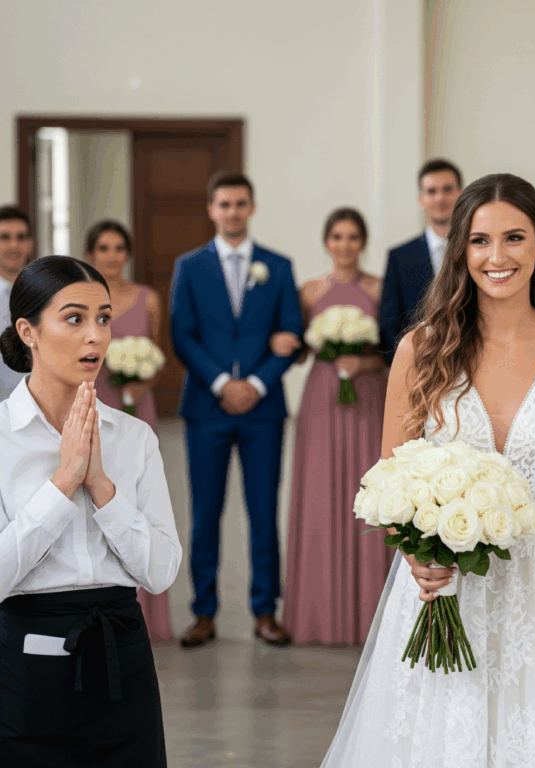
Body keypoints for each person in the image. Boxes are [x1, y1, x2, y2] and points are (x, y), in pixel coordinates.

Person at [321, 174, 535, 767]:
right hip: (443, 584)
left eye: (514, 238)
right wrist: (414, 552)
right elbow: (387, 479)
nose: (497, 256)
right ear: (461, 251)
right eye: (479, 240)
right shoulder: (421, 348)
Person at [0, 256, 181, 767]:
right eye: (74, 318)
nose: (96, 336)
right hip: (25, 674)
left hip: (124, 661)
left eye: (104, 318)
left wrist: (101, 487)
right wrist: (63, 484)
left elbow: (161, 572)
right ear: (28, 332)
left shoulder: (134, 437)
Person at [170, 170, 303, 648]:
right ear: (212, 209)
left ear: (252, 208)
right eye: (224, 204)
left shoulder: (278, 267)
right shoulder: (189, 266)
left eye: (240, 203)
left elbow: (291, 333)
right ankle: (203, 612)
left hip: (263, 411)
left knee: (263, 512)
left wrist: (257, 384)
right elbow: (182, 334)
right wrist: (224, 383)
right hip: (206, 406)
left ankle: (265, 611)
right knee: (205, 512)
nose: (232, 211)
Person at [283, 208, 390, 645]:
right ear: (327, 242)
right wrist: (285, 342)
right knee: (321, 493)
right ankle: (319, 615)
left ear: (363, 242)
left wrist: (364, 363)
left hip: (368, 395)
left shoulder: (379, 288)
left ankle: (370, 614)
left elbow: (394, 349)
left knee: (370, 492)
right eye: (337, 237)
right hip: (323, 398)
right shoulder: (309, 291)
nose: (345, 245)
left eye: (352, 237)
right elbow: (299, 351)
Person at [85, 219, 173, 642]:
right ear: (91, 254)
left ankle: (148, 615)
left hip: (138, 405)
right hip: (96, 400)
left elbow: (157, 356)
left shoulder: (148, 298)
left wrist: (143, 380)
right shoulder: (84, 299)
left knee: (140, 497)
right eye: (104, 248)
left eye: (119, 248)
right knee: (98, 496)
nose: (112, 256)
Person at [379, 158, 462, 363]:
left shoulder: (480, 249)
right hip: (418, 367)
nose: (440, 198)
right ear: (421, 199)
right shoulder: (399, 257)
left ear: (461, 194)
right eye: (431, 191)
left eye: (447, 189)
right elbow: (390, 326)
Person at [0, 206, 35, 401]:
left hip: (40, 407)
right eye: (5, 237)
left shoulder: (48, 295)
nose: (14, 245)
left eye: (21, 237)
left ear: (30, 244)